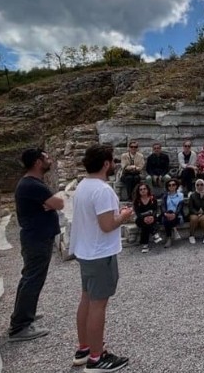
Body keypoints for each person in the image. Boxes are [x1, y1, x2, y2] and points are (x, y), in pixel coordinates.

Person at [70, 145, 133, 371]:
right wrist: (124, 215)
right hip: (100, 254)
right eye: (112, 161)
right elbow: (107, 225)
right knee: (98, 305)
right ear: (106, 164)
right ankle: (97, 358)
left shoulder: (82, 186)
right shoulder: (103, 190)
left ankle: (84, 348)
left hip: (86, 251)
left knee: (86, 299)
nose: (115, 164)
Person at [8, 148, 64, 342]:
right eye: (46, 157)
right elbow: (59, 203)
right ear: (38, 162)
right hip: (37, 239)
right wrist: (51, 203)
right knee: (32, 279)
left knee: (31, 278)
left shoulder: (31, 184)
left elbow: (52, 203)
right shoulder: (33, 186)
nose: (50, 160)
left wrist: (50, 203)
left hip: (37, 237)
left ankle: (24, 314)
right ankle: (20, 326)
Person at [132, 182, 159, 254]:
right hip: (141, 219)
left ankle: (145, 245)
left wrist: (152, 216)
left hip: (151, 217)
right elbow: (137, 213)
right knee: (145, 223)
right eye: (140, 189)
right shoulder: (137, 201)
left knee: (146, 225)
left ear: (147, 190)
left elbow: (155, 210)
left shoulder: (152, 198)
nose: (143, 190)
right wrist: (144, 218)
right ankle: (154, 233)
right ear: (138, 191)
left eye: (144, 189)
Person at [159, 179, 185, 248]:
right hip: (166, 215)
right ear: (167, 187)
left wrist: (175, 214)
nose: (171, 186)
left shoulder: (180, 195)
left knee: (167, 219)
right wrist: (165, 213)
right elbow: (163, 206)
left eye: (173, 185)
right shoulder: (165, 195)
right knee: (166, 218)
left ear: (176, 186)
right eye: (169, 185)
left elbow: (180, 207)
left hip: (178, 215)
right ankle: (174, 230)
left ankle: (169, 238)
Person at [187, 179, 204, 244]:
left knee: (203, 219)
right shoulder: (192, 195)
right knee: (194, 219)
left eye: (201, 184)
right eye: (197, 185)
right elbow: (190, 207)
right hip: (195, 212)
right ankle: (191, 235)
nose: (199, 186)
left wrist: (202, 213)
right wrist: (196, 213)